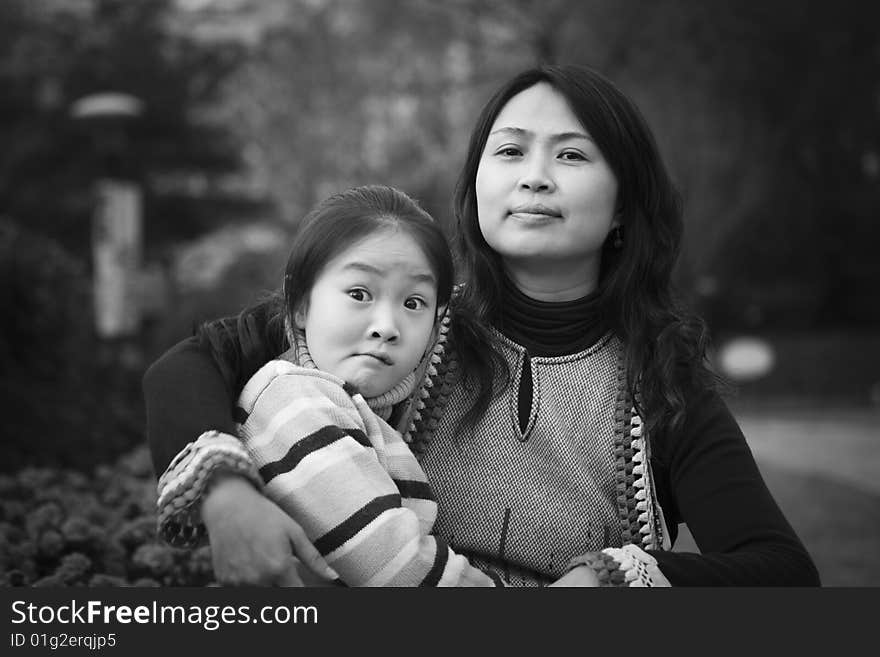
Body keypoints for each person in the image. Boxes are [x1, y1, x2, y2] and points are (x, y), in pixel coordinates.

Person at [144, 64, 820, 587]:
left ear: (622, 207)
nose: (534, 178)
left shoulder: (660, 381)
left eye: (572, 156)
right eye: (510, 152)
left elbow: (782, 570)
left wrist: (608, 577)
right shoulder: (401, 321)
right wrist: (226, 495)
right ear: (476, 187)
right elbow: (189, 365)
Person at [159, 185, 502, 587]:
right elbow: (396, 569)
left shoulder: (360, 406)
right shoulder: (295, 400)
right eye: (359, 294)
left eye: (413, 303)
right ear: (300, 305)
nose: (387, 327)